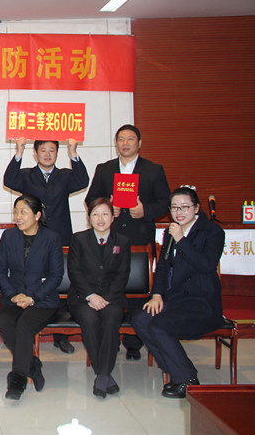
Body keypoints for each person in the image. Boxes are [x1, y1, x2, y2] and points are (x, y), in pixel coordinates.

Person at [85, 124, 170, 360]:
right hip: (108, 238)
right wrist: (107, 205)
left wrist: (145, 211)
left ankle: (134, 342)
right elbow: (91, 199)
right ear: (116, 143)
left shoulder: (153, 170)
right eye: (121, 139)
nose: (125, 143)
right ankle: (109, 339)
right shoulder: (105, 169)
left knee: (138, 289)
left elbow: (165, 202)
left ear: (139, 143)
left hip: (139, 238)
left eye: (130, 139)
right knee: (109, 286)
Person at [131, 186, 225, 399]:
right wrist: (157, 295)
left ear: (196, 208)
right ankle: (176, 370)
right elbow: (163, 268)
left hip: (201, 301)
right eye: (174, 208)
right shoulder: (170, 232)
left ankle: (188, 379)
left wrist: (182, 240)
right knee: (140, 319)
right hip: (176, 298)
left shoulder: (213, 231)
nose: (179, 212)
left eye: (184, 207)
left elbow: (206, 265)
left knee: (160, 326)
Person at [3, 137, 89, 354]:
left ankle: (61, 337)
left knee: (59, 281)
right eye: (43, 150)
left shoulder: (65, 176)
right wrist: (18, 152)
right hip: (32, 237)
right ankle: (27, 326)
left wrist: (73, 153)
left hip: (60, 236)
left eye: (52, 150)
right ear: (35, 153)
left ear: (57, 153)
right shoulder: (26, 175)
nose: (48, 154)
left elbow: (83, 181)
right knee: (32, 279)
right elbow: (9, 179)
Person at [0, 194, 63, 400]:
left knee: (24, 324)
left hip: (43, 300)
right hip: (15, 297)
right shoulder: (9, 236)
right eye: (16, 212)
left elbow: (56, 276)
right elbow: (0, 271)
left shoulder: (51, 238)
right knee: (3, 319)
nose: (18, 216)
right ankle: (32, 364)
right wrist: (13, 295)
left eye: (23, 212)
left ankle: (18, 380)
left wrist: (33, 298)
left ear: (37, 215)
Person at [67, 198, 131, 398]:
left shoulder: (122, 241)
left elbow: (122, 274)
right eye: (95, 214)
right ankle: (104, 375)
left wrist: (107, 298)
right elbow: (74, 271)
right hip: (82, 297)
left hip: (112, 298)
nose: (100, 218)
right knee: (89, 318)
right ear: (89, 218)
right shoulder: (78, 239)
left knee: (111, 318)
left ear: (112, 218)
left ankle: (102, 375)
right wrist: (90, 296)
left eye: (105, 214)